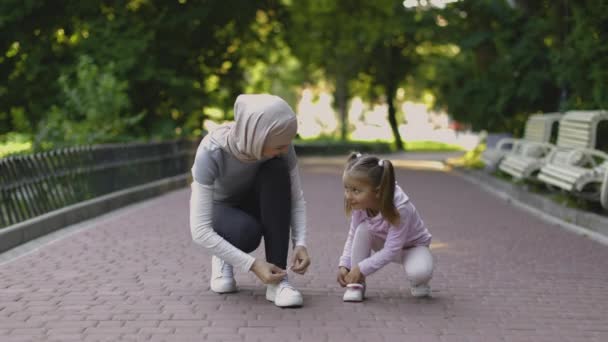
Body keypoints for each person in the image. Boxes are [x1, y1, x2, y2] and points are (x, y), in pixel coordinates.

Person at [189, 94, 311, 308]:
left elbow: (296, 198)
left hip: (253, 202)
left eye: (287, 144)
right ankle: (223, 255)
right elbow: (199, 231)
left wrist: (300, 243)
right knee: (245, 233)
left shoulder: (282, 145)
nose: (286, 150)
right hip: (221, 210)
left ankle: (278, 281)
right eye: (279, 146)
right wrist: (253, 265)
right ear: (257, 137)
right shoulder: (211, 151)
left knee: (277, 170)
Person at [337, 152, 434, 302]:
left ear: (378, 191)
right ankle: (356, 284)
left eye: (356, 190)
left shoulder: (401, 208)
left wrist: (361, 268)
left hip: (412, 247)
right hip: (383, 242)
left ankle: (419, 282)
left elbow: (392, 250)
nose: (349, 196)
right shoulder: (360, 205)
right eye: (347, 189)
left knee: (420, 272)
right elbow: (352, 236)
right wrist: (345, 265)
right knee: (362, 229)